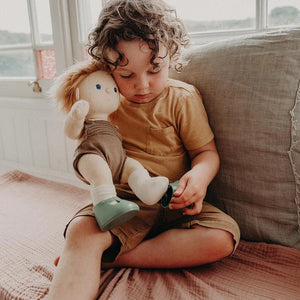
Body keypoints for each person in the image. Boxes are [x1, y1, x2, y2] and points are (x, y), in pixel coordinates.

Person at [47, 0, 240, 299]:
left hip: (173, 207)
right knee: (80, 232)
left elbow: (206, 152)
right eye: (126, 76)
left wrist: (198, 180)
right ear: (106, 66)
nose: (142, 85)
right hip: (122, 206)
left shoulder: (182, 98)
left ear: (171, 57)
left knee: (222, 238)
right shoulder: (104, 103)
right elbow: (92, 155)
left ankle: (113, 258)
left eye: (154, 70)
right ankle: (92, 252)